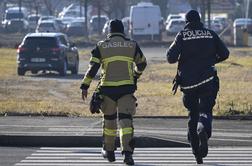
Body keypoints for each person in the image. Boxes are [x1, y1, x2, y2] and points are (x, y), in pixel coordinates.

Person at [80, 19, 147, 165]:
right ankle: (128, 155)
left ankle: (109, 152)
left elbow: (93, 68)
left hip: (107, 90)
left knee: (109, 122)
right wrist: (135, 75)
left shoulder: (101, 46)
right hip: (126, 90)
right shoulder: (132, 45)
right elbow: (142, 64)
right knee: (125, 122)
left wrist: (85, 86)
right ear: (122, 31)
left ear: (109, 31)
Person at [166, 10, 229, 164]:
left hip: (188, 83)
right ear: (200, 20)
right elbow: (225, 53)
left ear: (186, 22)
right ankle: (203, 129)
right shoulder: (211, 33)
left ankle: (197, 153)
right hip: (208, 79)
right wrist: (211, 60)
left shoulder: (182, 35)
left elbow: (170, 58)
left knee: (192, 114)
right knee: (205, 110)